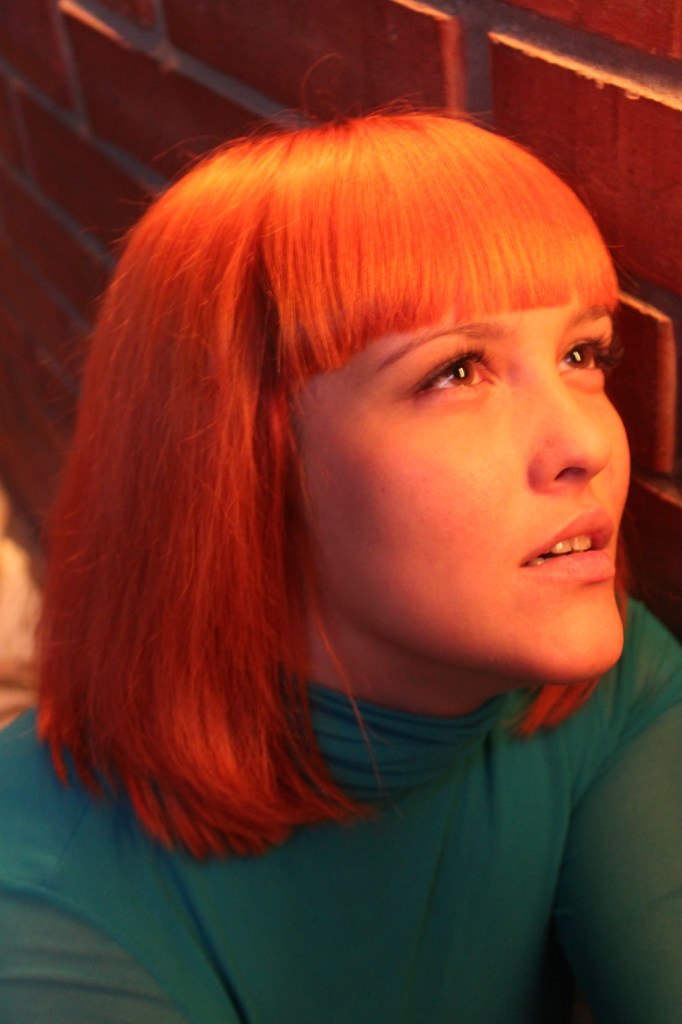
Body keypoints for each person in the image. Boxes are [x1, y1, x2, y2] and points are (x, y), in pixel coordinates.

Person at [0, 112, 680, 1024]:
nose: (586, 444)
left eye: (581, 353)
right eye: (455, 373)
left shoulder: (603, 679)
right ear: (242, 463)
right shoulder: (36, 903)